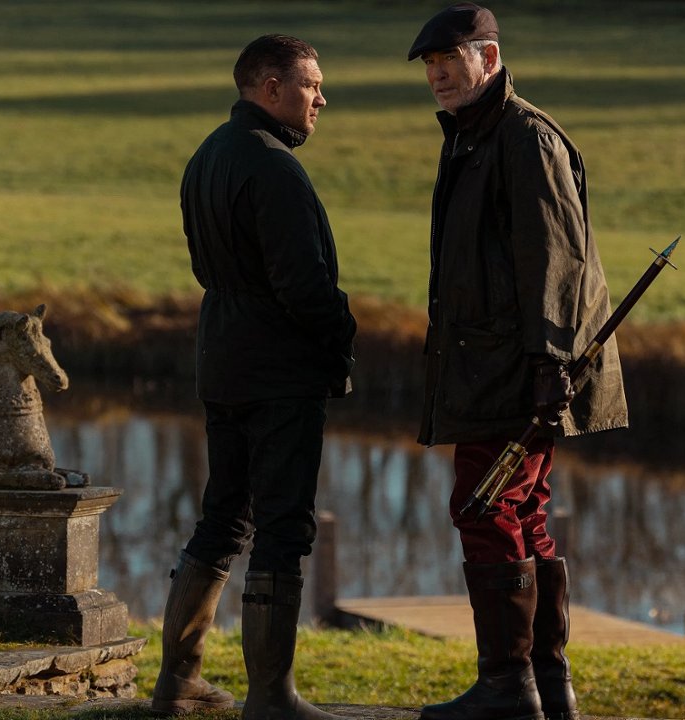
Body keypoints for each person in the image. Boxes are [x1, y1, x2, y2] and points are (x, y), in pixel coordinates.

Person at [407, 5, 628, 720]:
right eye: (430, 65)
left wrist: (549, 366)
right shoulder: (473, 135)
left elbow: (556, 258)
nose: (438, 75)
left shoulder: (524, 136)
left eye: (450, 60)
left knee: (486, 505)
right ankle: (544, 683)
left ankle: (508, 686)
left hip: (518, 370)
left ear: (490, 57)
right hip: (495, 365)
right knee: (520, 510)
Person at [150, 34, 356, 720]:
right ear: (270, 87)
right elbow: (304, 286)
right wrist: (343, 334)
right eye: (310, 85)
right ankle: (271, 696)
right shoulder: (274, 167)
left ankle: (179, 679)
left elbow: (206, 268)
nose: (321, 98)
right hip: (278, 371)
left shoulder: (207, 155)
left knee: (223, 518)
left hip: (223, 360)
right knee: (282, 527)